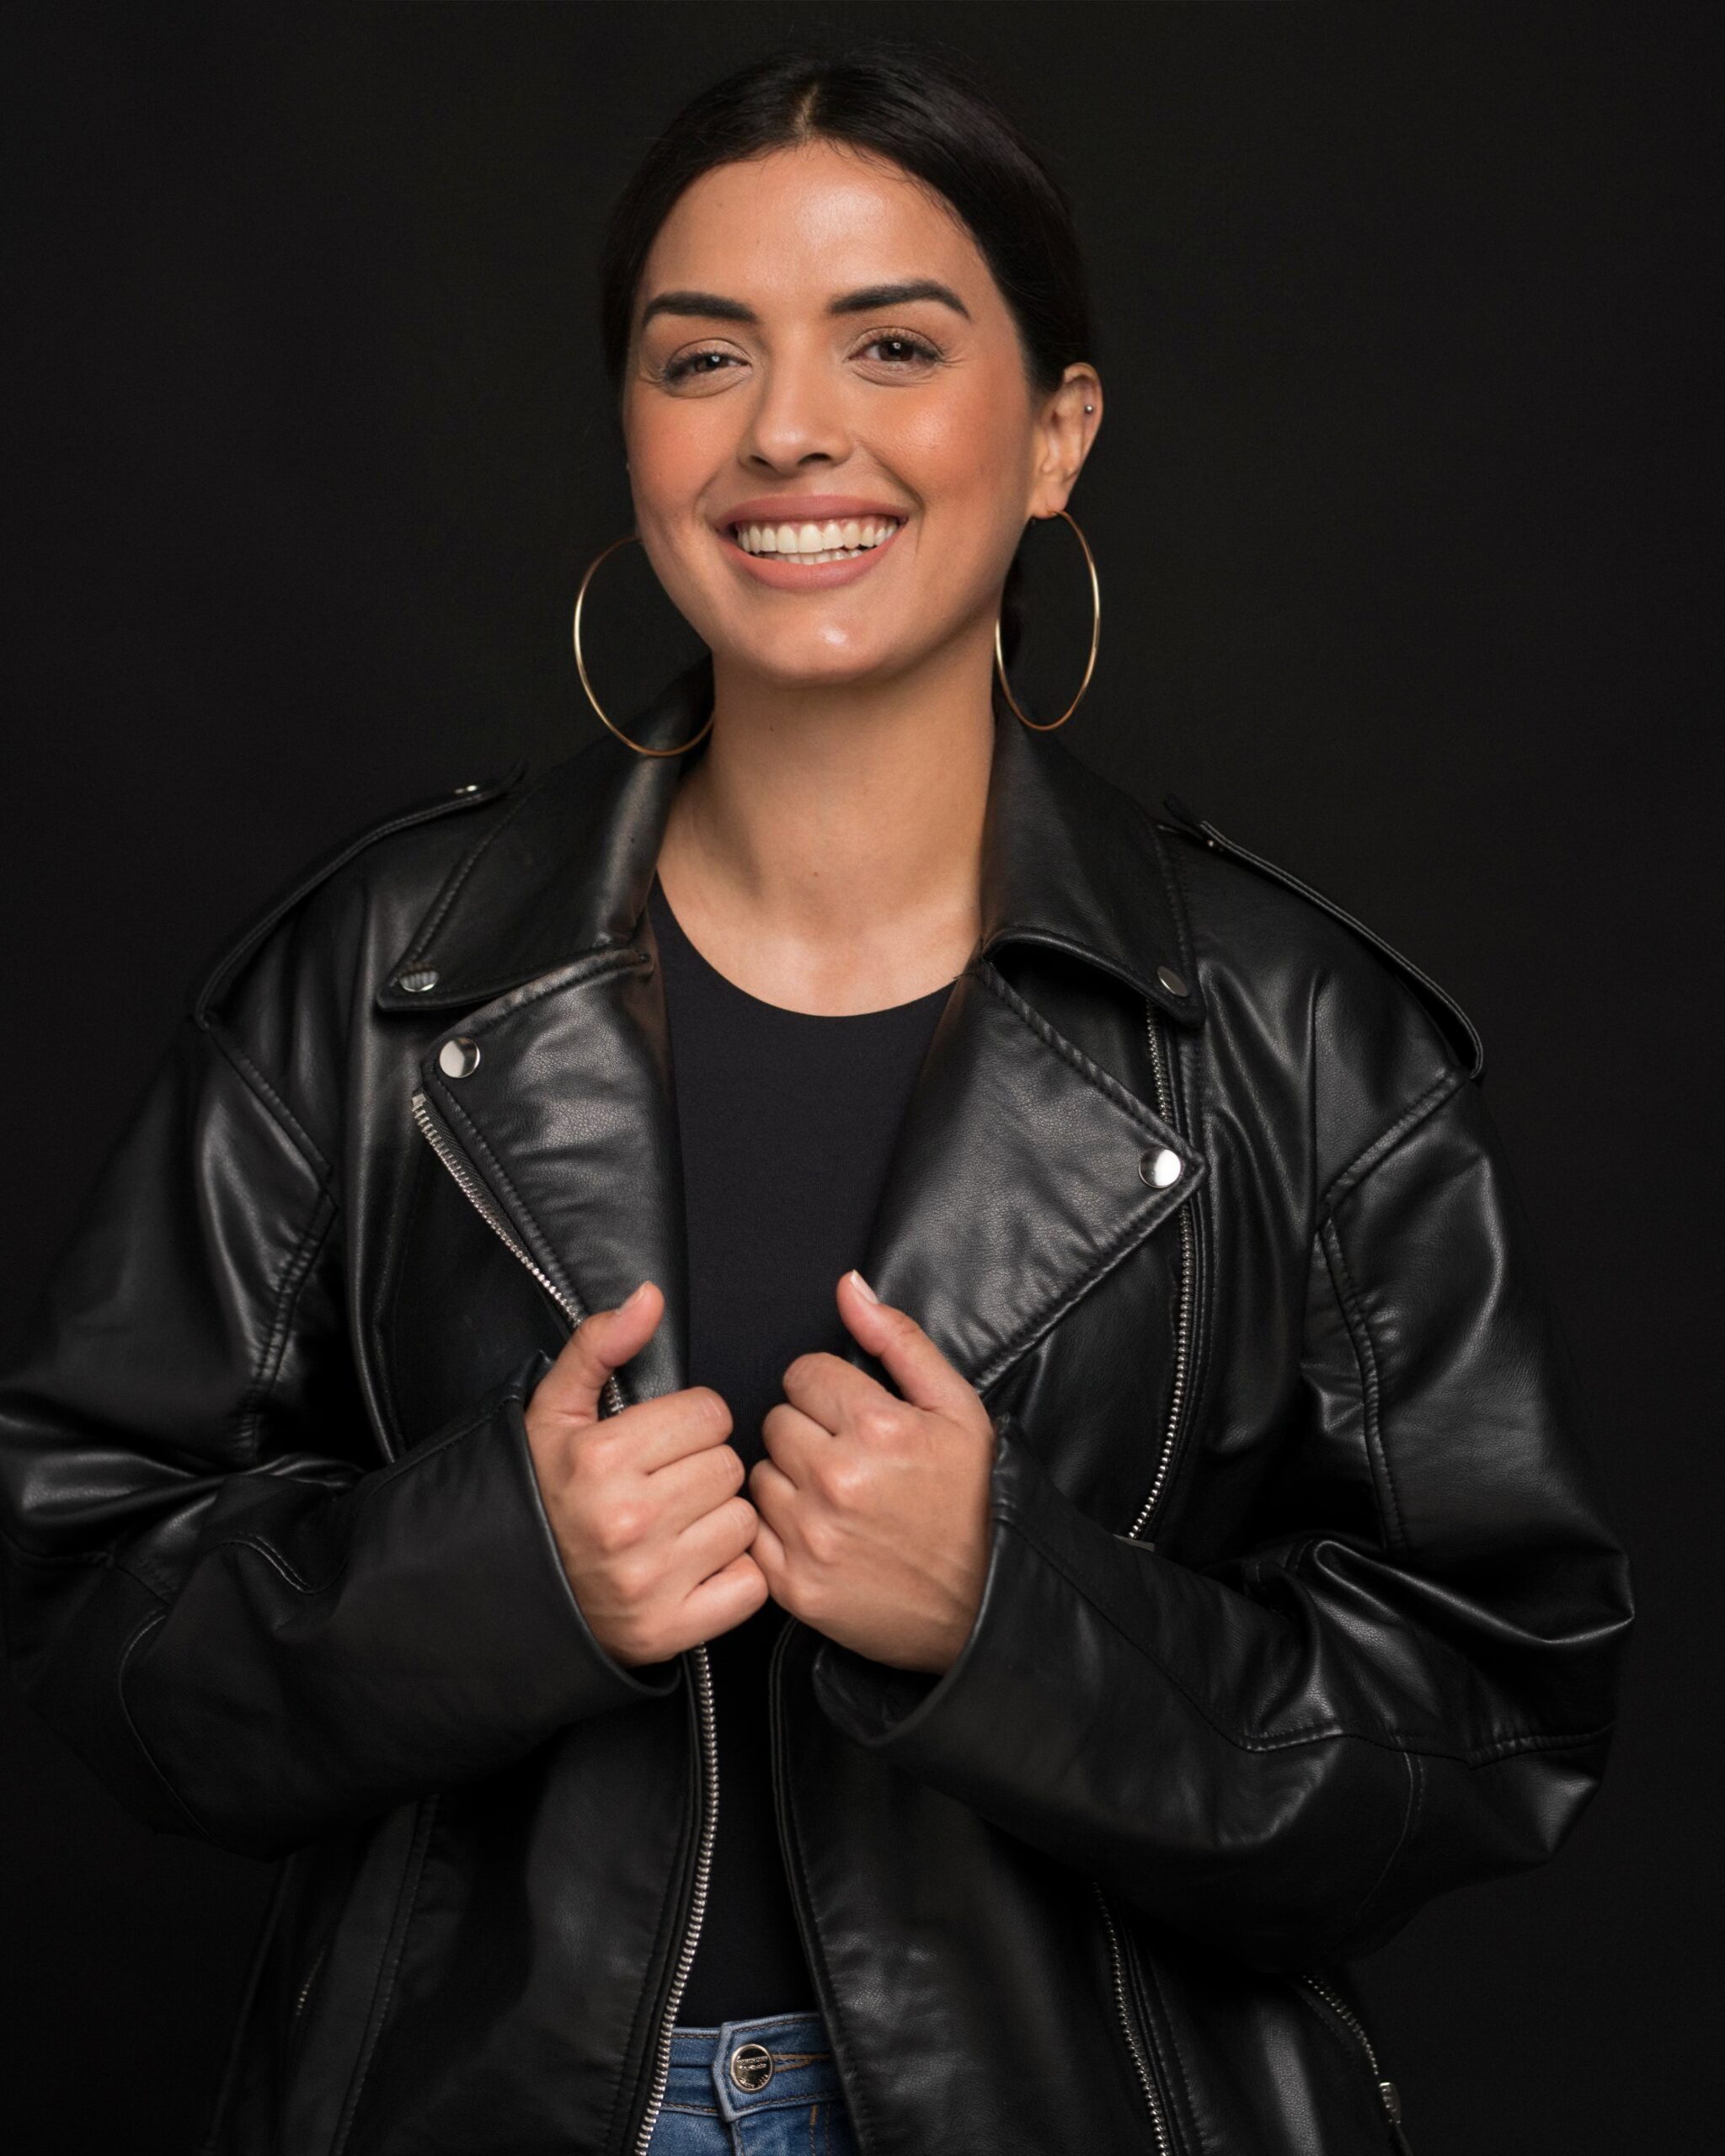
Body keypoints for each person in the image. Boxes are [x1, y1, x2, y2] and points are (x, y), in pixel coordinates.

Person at [0, 40, 1632, 2156]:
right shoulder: (378, 976)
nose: (787, 427)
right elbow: (90, 1589)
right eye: (704, 357)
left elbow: (1489, 1719)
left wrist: (1009, 1614)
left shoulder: (1300, 1034)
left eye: (893, 344)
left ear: (1055, 432)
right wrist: (491, 1579)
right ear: (633, 430)